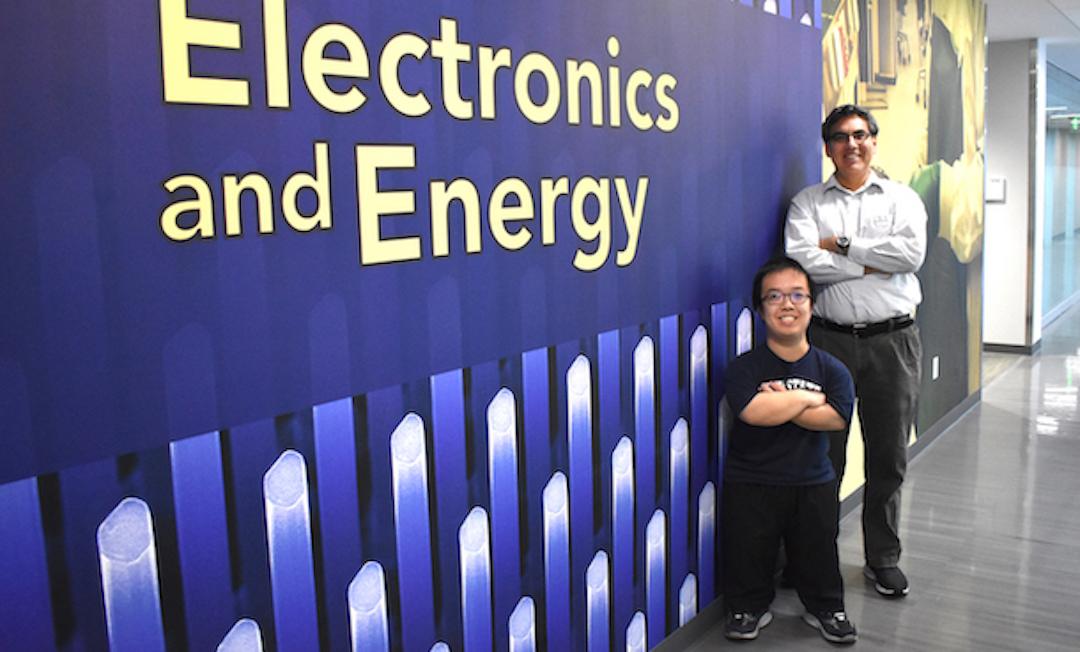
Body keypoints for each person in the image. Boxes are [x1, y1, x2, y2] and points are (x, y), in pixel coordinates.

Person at [785, 104, 927, 598]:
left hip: (893, 342)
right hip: (829, 343)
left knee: (889, 455)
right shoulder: (808, 203)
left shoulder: (902, 199)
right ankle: (815, 558)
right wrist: (872, 262)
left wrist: (842, 245)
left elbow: (910, 255)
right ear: (828, 148)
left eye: (861, 135)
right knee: (824, 456)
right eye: (842, 137)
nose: (853, 145)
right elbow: (804, 262)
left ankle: (882, 558)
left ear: (873, 141)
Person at [721, 257, 857, 644]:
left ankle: (826, 608)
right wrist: (808, 398)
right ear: (760, 308)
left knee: (819, 552)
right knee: (748, 552)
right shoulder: (744, 368)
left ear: (811, 305)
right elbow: (754, 413)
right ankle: (748, 607)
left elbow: (836, 418)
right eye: (775, 296)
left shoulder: (832, 369)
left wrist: (781, 399)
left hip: (812, 480)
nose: (787, 305)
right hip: (752, 479)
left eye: (798, 295)